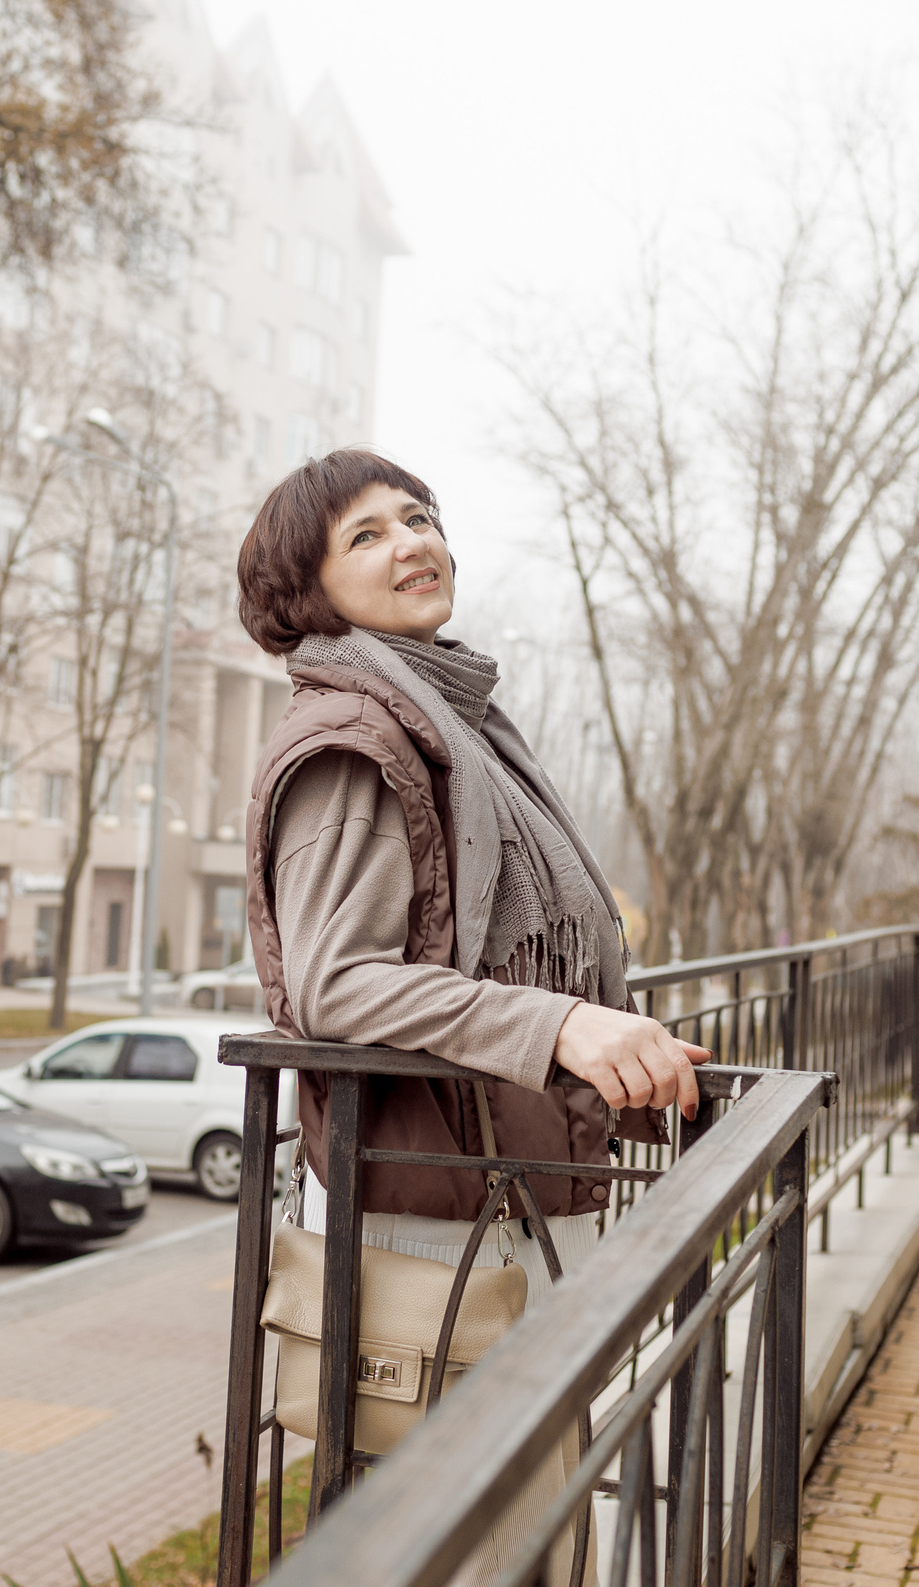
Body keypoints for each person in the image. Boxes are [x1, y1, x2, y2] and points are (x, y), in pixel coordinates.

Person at [238, 449, 711, 1282]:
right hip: (433, 1233)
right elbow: (334, 983)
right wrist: (559, 1024)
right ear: (309, 591)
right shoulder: (353, 739)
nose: (412, 542)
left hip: (503, 1199)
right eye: (365, 536)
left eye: (418, 518)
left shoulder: (457, 726)